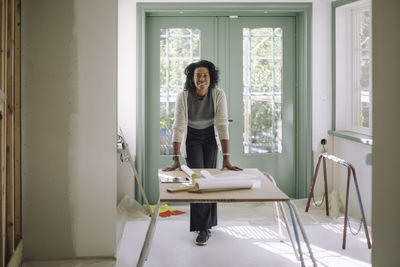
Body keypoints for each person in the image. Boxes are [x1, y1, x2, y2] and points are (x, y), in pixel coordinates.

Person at [163, 60, 242, 246]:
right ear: (192, 78)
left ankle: (208, 225)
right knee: (198, 180)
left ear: (211, 78)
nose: (201, 79)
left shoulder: (218, 94)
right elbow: (178, 126)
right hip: (192, 138)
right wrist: (175, 159)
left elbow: (222, 124)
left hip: (210, 137)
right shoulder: (183, 96)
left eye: (205, 75)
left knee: (210, 180)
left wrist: (227, 159)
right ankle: (202, 228)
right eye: (198, 75)